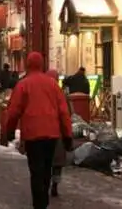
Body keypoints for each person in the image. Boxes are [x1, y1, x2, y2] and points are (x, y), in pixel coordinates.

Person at [4, 52, 73, 209]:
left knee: (36, 169)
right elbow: (63, 112)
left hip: (32, 134)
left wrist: (10, 130)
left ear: (27, 64)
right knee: (47, 167)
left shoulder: (23, 84)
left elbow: (14, 111)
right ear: (42, 64)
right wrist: (67, 135)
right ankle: (44, 198)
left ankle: (39, 203)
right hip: (52, 133)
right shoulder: (53, 85)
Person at [45, 69, 68, 198]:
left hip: (42, 132)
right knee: (57, 162)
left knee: (45, 161)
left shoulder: (40, 93)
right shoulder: (61, 94)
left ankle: (45, 183)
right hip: (57, 132)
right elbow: (66, 115)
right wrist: (68, 134)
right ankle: (55, 185)